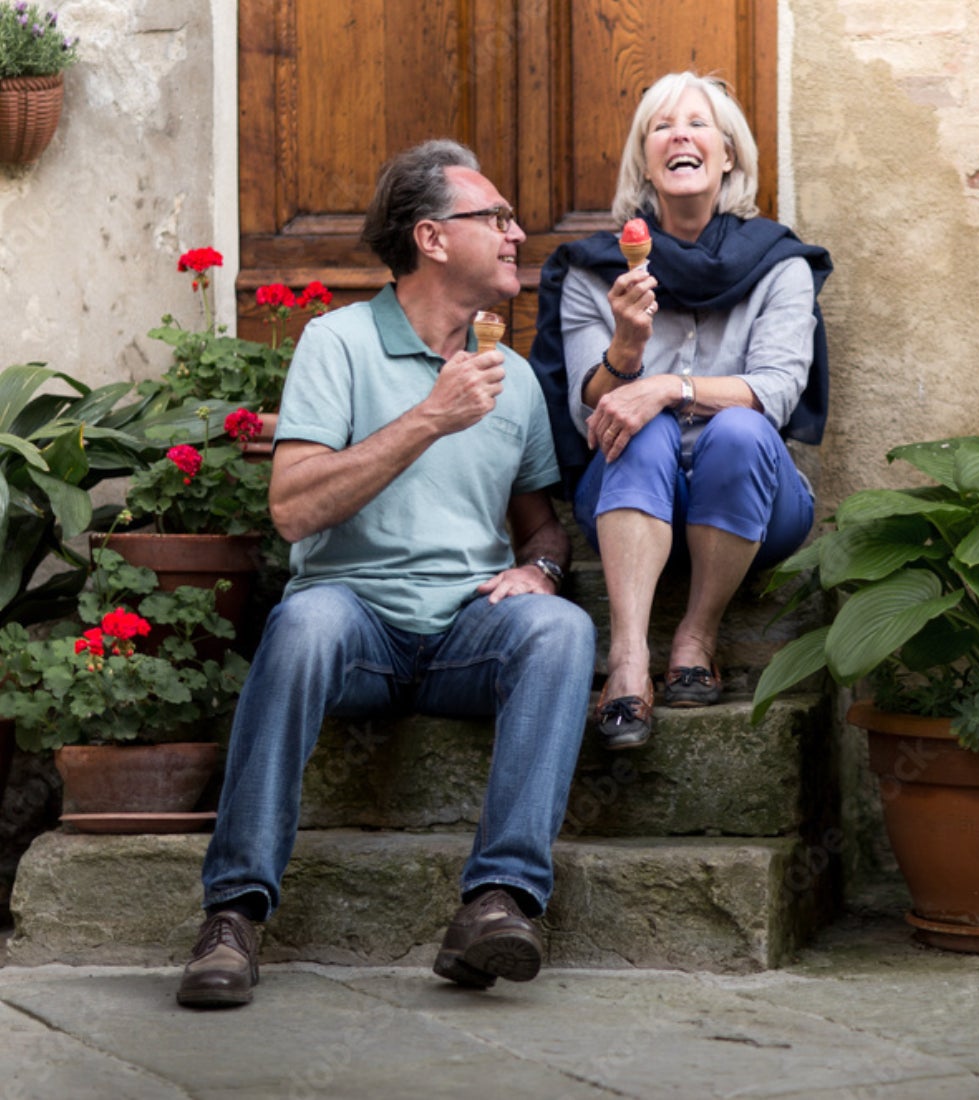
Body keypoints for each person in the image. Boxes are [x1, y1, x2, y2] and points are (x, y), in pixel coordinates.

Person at [176, 140, 596, 1009]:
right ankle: (233, 915)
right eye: (497, 219)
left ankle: (498, 900)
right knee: (302, 623)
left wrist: (545, 570)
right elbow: (291, 509)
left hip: (467, 632)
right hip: (354, 620)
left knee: (560, 630)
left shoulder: (511, 379)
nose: (518, 234)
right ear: (434, 238)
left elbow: (540, 523)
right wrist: (428, 418)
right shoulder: (338, 343)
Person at [529, 73, 832, 751]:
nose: (680, 136)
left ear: (728, 155)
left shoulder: (779, 263)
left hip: (755, 492)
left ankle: (697, 634)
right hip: (631, 484)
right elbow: (592, 417)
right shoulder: (594, 271)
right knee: (639, 427)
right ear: (645, 160)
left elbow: (777, 390)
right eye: (661, 127)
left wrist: (669, 385)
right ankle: (630, 659)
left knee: (740, 427)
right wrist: (628, 348)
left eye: (698, 124)